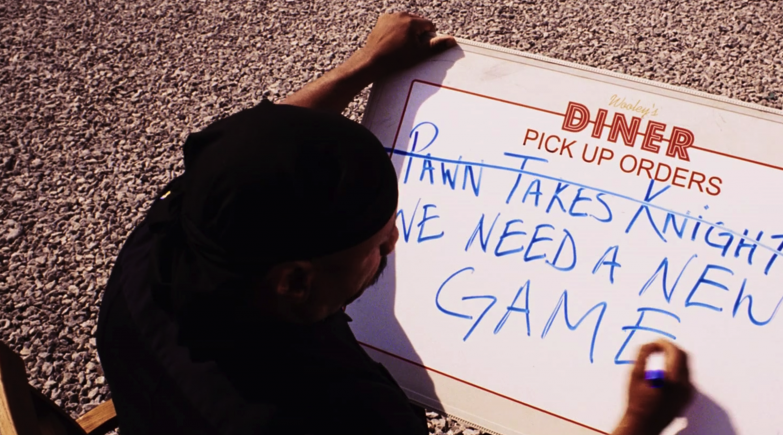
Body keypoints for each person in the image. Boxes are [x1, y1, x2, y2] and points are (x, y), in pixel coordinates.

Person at [95, 12, 694, 435]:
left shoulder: (165, 247)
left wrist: (364, 65)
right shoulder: (338, 416)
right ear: (296, 281)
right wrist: (639, 421)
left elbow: (250, 148)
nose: (397, 240)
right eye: (378, 243)